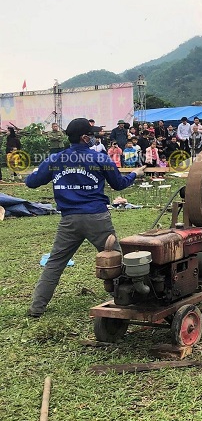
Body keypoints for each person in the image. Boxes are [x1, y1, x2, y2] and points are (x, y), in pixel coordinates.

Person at [25, 118, 140, 317]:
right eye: (92, 135)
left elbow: (31, 183)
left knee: (55, 264)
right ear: (85, 138)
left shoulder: (56, 159)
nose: (95, 138)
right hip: (97, 218)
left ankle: (36, 308)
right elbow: (119, 184)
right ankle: (130, 301)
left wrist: (38, 171)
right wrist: (134, 174)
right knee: (117, 260)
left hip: (69, 220)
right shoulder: (100, 158)